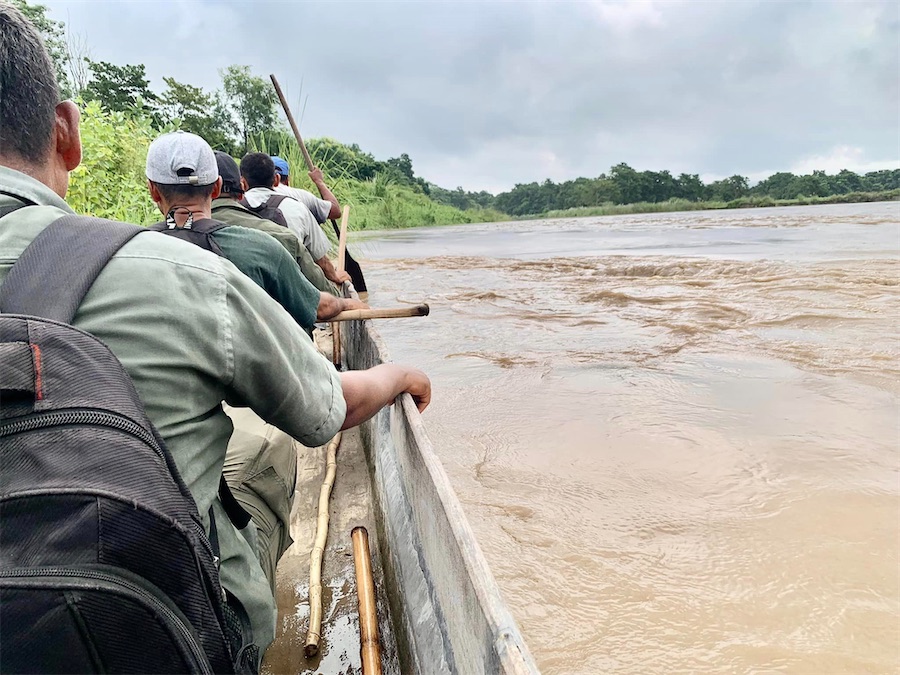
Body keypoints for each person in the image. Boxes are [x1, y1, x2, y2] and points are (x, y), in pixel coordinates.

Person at [0, 3, 430, 664]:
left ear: (153, 192)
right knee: (262, 441)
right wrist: (387, 355)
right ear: (67, 134)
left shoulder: (189, 241)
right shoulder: (216, 257)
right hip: (153, 632)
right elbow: (327, 317)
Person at [144, 131, 365, 333]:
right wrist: (344, 301)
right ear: (216, 188)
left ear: (153, 190)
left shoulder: (129, 249)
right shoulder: (266, 246)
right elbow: (318, 304)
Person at [212, 150, 340, 296]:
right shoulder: (297, 206)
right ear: (276, 180)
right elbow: (321, 261)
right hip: (291, 297)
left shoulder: (226, 211)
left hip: (243, 294)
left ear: (243, 183)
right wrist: (336, 285)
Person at [240, 152, 350, 287]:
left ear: (243, 183)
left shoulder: (234, 205)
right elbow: (335, 211)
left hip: (250, 286)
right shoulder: (298, 203)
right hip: (291, 286)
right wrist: (319, 181)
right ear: (276, 179)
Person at [271, 155, 341, 223]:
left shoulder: (260, 193)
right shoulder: (302, 196)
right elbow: (335, 211)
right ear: (287, 180)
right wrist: (319, 181)